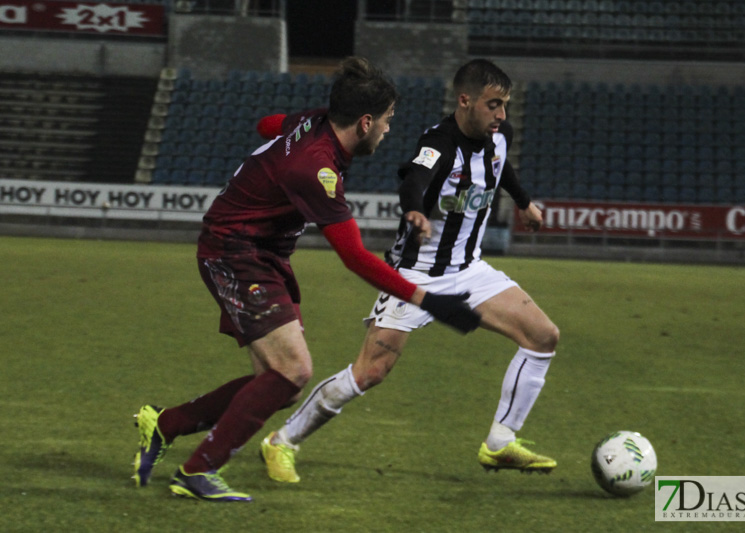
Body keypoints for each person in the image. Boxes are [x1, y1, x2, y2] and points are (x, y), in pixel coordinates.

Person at [131, 57, 481, 502]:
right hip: (234, 252)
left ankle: (166, 424)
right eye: (388, 121)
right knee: (293, 371)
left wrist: (278, 149)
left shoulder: (314, 124)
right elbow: (353, 257)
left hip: (261, 253)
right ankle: (197, 470)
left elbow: (266, 124)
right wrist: (429, 301)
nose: (389, 130)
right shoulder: (317, 170)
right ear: (366, 121)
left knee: (277, 385)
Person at [259, 59, 560, 484]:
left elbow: (501, 167)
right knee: (371, 371)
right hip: (416, 272)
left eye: (505, 105)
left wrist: (524, 201)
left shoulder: (500, 136)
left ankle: (500, 441)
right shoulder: (438, 141)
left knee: (543, 337)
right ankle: (282, 441)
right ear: (465, 101)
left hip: (470, 269)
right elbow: (414, 178)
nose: (501, 115)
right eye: (493, 104)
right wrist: (415, 210)